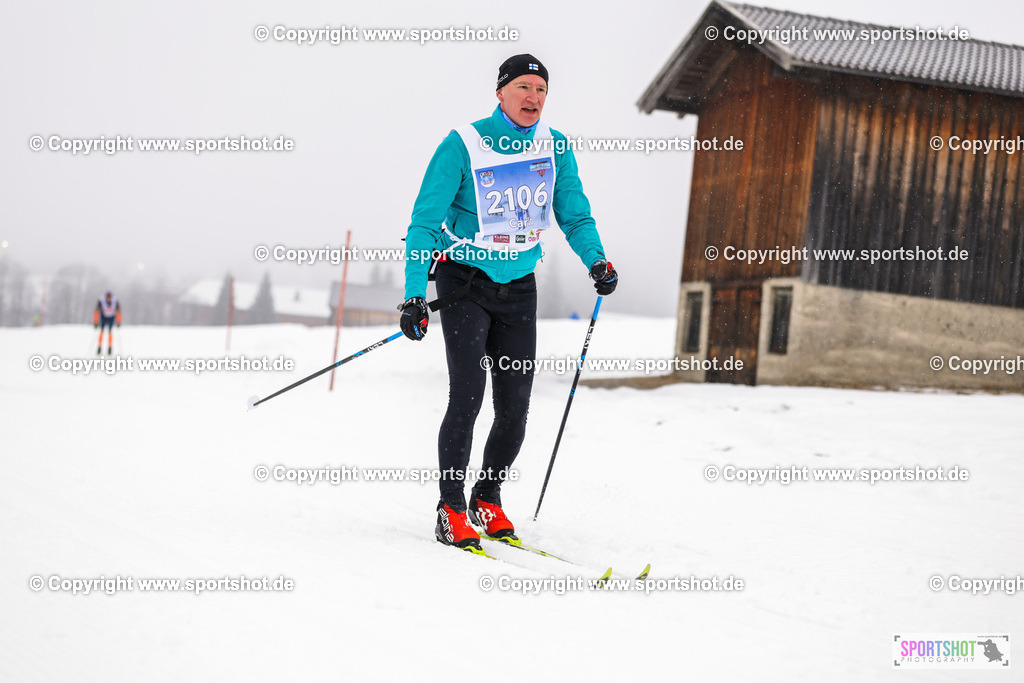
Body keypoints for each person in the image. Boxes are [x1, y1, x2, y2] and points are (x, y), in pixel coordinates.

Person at [398, 54, 619, 553]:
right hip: (465, 282)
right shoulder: (463, 144)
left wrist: (597, 261)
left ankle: (487, 497)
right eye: (522, 86)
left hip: (519, 285)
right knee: (468, 394)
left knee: (515, 406)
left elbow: (575, 215)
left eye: (541, 89)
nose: (532, 98)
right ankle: (451, 508)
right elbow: (424, 223)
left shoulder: (555, 147)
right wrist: (414, 293)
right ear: (500, 92)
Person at [93, 291, 122, 355]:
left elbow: (119, 312)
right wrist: (95, 322)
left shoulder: (115, 302)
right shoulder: (101, 302)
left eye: (109, 297)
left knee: (110, 332)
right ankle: (99, 347)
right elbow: (96, 311)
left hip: (111, 318)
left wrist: (118, 322)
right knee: (102, 332)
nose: (108, 299)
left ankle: (109, 348)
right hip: (103, 317)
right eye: (107, 297)